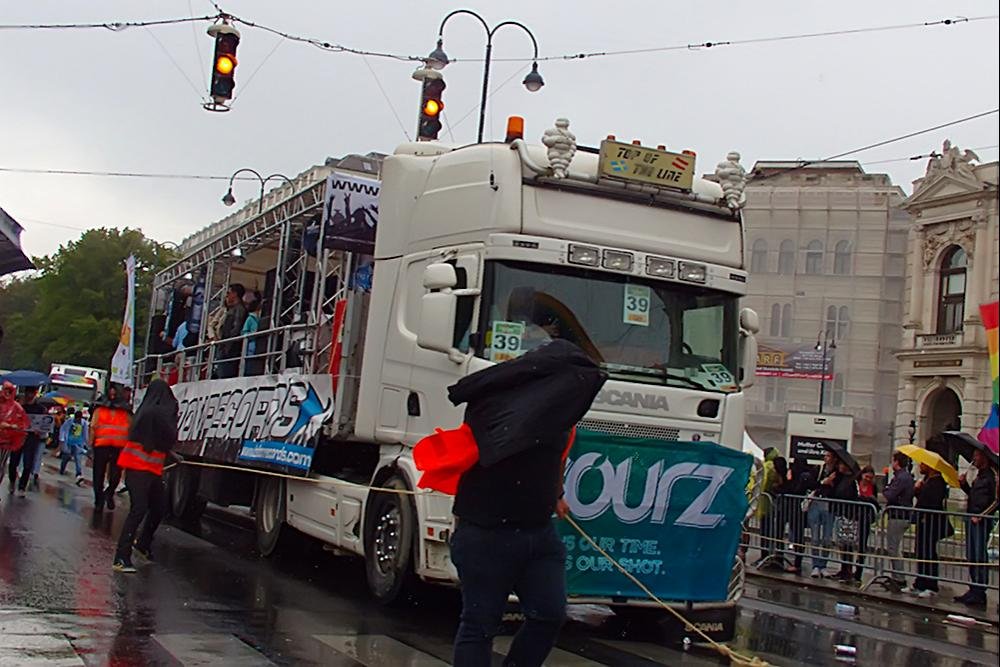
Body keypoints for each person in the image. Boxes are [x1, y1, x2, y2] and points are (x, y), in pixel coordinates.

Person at [445, 340, 605, 667]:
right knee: (480, 625)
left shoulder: (561, 414)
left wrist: (556, 495)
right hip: (485, 532)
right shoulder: (495, 403)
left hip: (538, 532)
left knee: (549, 614)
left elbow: (556, 458)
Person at [113, 379, 179, 573]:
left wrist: (171, 455)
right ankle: (121, 557)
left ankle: (142, 544)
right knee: (139, 509)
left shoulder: (145, 412)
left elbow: (157, 442)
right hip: (138, 469)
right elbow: (161, 438)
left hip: (150, 469)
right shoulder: (153, 414)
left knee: (159, 508)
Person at [955, 450, 998, 607]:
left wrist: (982, 516)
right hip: (971, 518)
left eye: (977, 456)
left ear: (984, 457)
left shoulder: (991, 477)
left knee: (979, 555)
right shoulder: (979, 476)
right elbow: (973, 495)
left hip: (981, 521)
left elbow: (996, 500)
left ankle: (980, 591)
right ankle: (973, 588)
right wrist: (964, 485)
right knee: (971, 554)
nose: (974, 458)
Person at [88, 384, 131, 512]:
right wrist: (91, 444)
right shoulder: (100, 410)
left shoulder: (125, 411)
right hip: (102, 446)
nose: (112, 396)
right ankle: (99, 500)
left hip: (117, 447)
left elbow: (130, 428)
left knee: (115, 476)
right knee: (99, 475)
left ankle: (109, 493)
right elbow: (93, 427)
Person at [909, 462, 949, 598]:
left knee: (929, 552)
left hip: (931, 522)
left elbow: (932, 502)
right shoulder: (927, 480)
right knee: (921, 551)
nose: (920, 466)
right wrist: (917, 490)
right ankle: (920, 582)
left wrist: (922, 490)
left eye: (923, 464)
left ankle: (931, 585)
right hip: (923, 521)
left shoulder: (937, 482)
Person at [881, 451, 915, 589]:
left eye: (893, 460)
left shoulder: (901, 478)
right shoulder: (903, 476)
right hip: (900, 514)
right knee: (894, 548)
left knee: (893, 548)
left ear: (897, 462)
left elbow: (890, 494)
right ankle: (896, 576)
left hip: (898, 515)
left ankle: (899, 578)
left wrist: (886, 488)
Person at [8, 386, 47, 497]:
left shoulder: (40, 409)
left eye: (31, 393)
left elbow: (44, 424)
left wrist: (40, 431)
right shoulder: (19, 407)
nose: (29, 396)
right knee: (13, 462)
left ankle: (22, 486)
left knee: (28, 463)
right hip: (18, 436)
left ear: (35, 394)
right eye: (27, 393)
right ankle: (12, 481)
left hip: (31, 438)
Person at [826, 458, 859, 581]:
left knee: (847, 543)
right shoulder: (841, 478)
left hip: (848, 515)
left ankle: (847, 570)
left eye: (841, 464)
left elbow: (850, 496)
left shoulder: (852, 481)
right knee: (841, 543)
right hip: (840, 513)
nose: (839, 466)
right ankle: (843, 568)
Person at [807, 451, 837, 578]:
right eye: (825, 455)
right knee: (815, 537)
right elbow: (812, 484)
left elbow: (838, 489)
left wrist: (832, 483)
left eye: (828, 456)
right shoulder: (818, 469)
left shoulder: (837, 473)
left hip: (829, 504)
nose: (825, 458)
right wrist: (824, 482)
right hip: (816, 502)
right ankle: (815, 565)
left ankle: (823, 565)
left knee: (827, 538)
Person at [784, 457, 816, 575]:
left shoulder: (801, 477)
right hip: (801, 509)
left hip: (797, 508)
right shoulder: (808, 474)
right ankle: (797, 561)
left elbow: (794, 490)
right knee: (798, 535)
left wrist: (789, 479)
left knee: (798, 536)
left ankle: (797, 563)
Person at [0, 381, 29, 501]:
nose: (7, 393)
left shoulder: (16, 407)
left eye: (10, 391)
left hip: (5, 442)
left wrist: (14, 427)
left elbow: (23, 423)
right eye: (5, 390)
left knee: (1, 466)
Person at [853, 465, 880, 583]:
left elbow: (875, 501)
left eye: (870, 477)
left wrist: (869, 500)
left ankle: (859, 571)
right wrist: (867, 499)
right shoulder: (856, 484)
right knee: (848, 543)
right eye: (866, 477)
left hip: (866, 518)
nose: (868, 479)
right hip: (854, 516)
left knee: (862, 545)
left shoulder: (873, 487)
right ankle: (846, 569)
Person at [216, 283, 248, 378]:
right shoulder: (234, 308)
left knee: (225, 375)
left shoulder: (239, 309)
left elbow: (236, 328)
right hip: (226, 347)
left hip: (229, 349)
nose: (227, 295)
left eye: (228, 293)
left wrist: (226, 347)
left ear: (235, 294)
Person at [59, 408, 88, 484]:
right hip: (69, 442)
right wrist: (62, 439)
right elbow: (63, 429)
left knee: (78, 459)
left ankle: (79, 474)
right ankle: (62, 469)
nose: (77, 420)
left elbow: (85, 434)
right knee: (66, 457)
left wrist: (86, 444)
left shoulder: (84, 423)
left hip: (78, 443)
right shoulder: (69, 421)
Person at [241, 292, 264, 376]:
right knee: (249, 363)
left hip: (259, 345)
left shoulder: (261, 318)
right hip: (251, 345)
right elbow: (244, 332)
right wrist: (252, 334)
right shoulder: (250, 318)